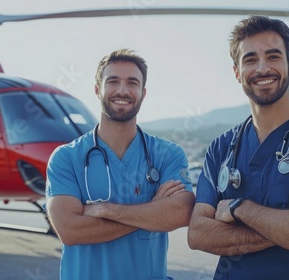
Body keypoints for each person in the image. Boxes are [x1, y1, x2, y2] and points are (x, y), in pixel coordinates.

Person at [188, 16, 289, 279]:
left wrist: (238, 208)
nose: (263, 68)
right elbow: (198, 235)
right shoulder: (220, 148)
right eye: (250, 59)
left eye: (273, 56)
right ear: (237, 72)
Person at [45, 49, 195, 280]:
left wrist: (105, 210)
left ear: (143, 93)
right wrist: (152, 210)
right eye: (113, 81)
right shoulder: (66, 157)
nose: (123, 91)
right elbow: (69, 230)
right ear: (98, 90)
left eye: (132, 83)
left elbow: (182, 212)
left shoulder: (167, 154)